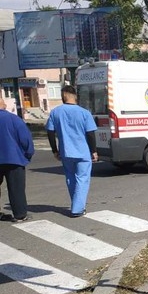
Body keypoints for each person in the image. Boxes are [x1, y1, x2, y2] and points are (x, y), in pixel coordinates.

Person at [45, 85, 98, 217]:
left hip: (66, 152)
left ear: (63, 96)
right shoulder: (84, 113)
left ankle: (76, 203)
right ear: (75, 96)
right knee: (82, 179)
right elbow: (90, 134)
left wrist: (54, 150)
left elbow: (50, 132)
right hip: (82, 152)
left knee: (70, 178)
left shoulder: (55, 112)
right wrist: (94, 151)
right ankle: (77, 209)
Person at [0, 96, 35, 222]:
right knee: (16, 188)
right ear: (3, 104)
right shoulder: (14, 119)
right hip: (14, 159)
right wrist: (28, 154)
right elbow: (26, 140)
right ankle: (20, 215)